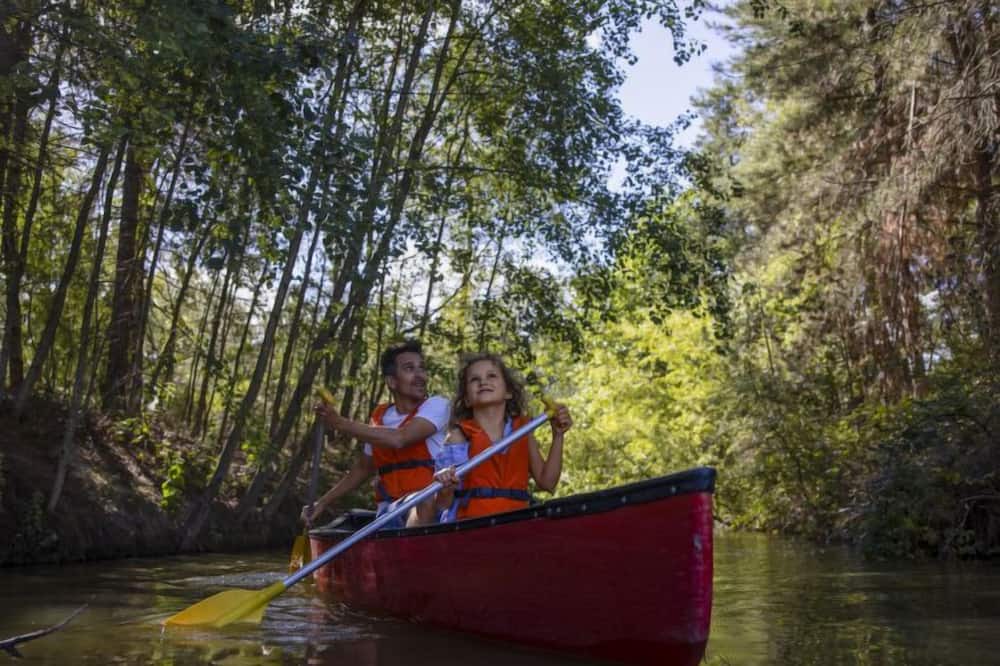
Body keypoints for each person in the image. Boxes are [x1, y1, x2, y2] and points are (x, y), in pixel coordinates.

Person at [302, 340, 450, 528]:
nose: (420, 375)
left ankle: (413, 551)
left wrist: (340, 423)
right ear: (391, 381)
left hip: (431, 508)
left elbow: (400, 438)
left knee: (425, 500)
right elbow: (363, 468)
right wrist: (322, 502)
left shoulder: (438, 406)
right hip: (390, 511)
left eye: (422, 368)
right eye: (409, 369)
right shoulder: (379, 418)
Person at [429, 353, 572, 523]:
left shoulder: (523, 432)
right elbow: (443, 503)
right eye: (475, 379)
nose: (483, 382)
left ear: (508, 392)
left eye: (492, 376)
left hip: (514, 525)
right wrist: (445, 487)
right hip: (470, 527)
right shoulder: (458, 436)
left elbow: (547, 483)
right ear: (467, 399)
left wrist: (558, 435)